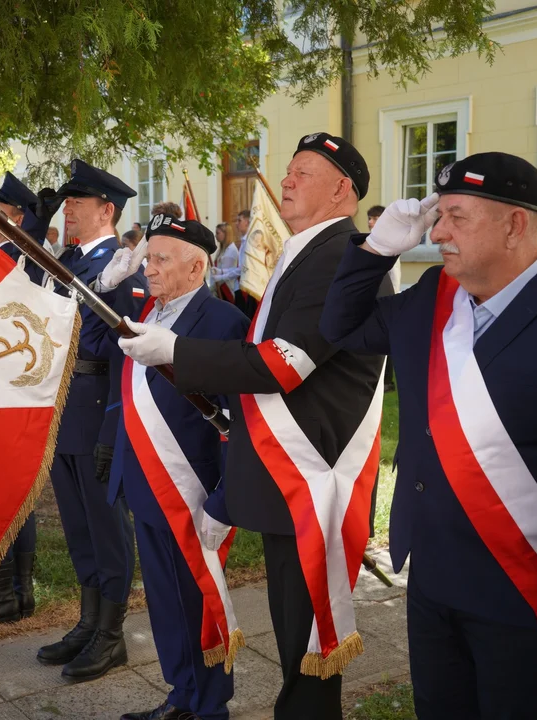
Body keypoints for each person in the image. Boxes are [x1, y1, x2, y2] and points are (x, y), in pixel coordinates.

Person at [320, 152, 537, 720]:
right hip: (433, 573)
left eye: (456, 217)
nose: (437, 232)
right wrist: (374, 250)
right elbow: (339, 327)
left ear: (515, 225)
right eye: (439, 216)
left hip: (524, 583)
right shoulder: (432, 298)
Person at [117, 132, 387, 720]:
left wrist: (176, 352)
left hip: (311, 475)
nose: (285, 181)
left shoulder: (340, 256)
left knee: (308, 648)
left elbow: (285, 364)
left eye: (303, 173)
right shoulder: (307, 252)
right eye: (287, 171)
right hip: (282, 476)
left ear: (343, 189)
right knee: (296, 643)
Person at [82, 215, 248, 720]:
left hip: (192, 491)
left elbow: (237, 423)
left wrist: (223, 502)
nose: (148, 269)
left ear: (197, 266)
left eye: (160, 259)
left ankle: (209, 706)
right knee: (166, 603)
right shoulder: (148, 311)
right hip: (144, 482)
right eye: (147, 258)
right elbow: (92, 345)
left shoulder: (224, 324)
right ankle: (181, 695)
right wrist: (104, 285)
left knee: (197, 601)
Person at [37, 159, 145, 682]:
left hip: (96, 410)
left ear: (108, 210)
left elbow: (125, 357)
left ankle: (111, 634)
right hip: (63, 409)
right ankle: (87, 621)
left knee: (107, 530)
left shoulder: (123, 268)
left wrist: (111, 430)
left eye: (78, 201)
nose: (68, 208)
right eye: (67, 201)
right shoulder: (67, 261)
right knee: (80, 526)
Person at [0, 171, 45, 623]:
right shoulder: (1, 253)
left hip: (6, 388)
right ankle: (12, 591)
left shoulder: (20, 258)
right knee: (6, 491)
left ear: (16, 216)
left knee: (7, 491)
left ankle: (10, 591)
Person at [366, 205, 398, 390]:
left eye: (375, 218)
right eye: (369, 218)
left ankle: (387, 381)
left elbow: (393, 273)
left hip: (386, 296)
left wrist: (391, 297)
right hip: (374, 295)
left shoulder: (391, 241)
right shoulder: (371, 240)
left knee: (387, 342)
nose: (370, 222)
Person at [231, 210, 258, 318]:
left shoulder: (250, 241)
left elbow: (244, 267)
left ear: (247, 222)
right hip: (240, 287)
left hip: (247, 288)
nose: (237, 224)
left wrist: (222, 276)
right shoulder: (244, 241)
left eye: (239, 220)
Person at [210, 223, 239, 303]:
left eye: (218, 233)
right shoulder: (221, 249)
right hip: (218, 288)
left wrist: (210, 289)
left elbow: (225, 272)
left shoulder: (231, 250)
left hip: (225, 289)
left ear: (225, 234)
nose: (216, 236)